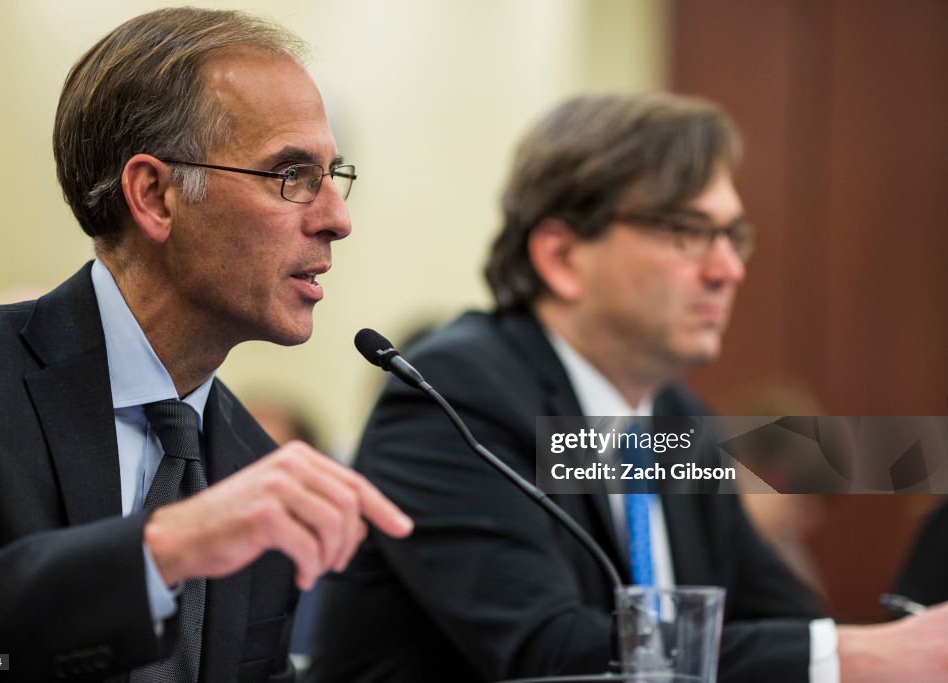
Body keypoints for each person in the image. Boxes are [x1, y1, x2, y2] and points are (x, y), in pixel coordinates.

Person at [308, 93, 948, 682]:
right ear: (562, 258)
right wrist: (854, 656)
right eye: (688, 233)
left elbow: (774, 613)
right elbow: (548, 653)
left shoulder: (675, 419)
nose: (727, 269)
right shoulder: (456, 399)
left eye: (733, 237)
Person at [0, 8, 412, 682]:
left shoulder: (255, 468)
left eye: (336, 174)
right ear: (155, 196)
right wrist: (164, 547)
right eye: (293, 176)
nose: (337, 217)